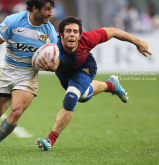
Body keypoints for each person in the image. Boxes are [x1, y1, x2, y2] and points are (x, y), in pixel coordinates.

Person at [35, 16, 152, 151]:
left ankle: (49, 140)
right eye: (68, 31)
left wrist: (137, 41)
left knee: (71, 97)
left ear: (80, 35)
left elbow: (113, 31)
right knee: (83, 96)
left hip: (85, 67)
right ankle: (111, 85)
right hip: (65, 75)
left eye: (75, 32)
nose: (72, 34)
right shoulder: (53, 47)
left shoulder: (88, 39)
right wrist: (49, 66)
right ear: (60, 34)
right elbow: (51, 63)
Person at [0, 0, 57, 155]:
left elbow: (56, 58)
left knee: (16, 111)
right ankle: (10, 97)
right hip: (8, 70)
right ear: (34, 9)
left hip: (29, 75)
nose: (50, 13)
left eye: (50, 9)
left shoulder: (50, 31)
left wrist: (53, 67)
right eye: (46, 9)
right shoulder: (14, 21)